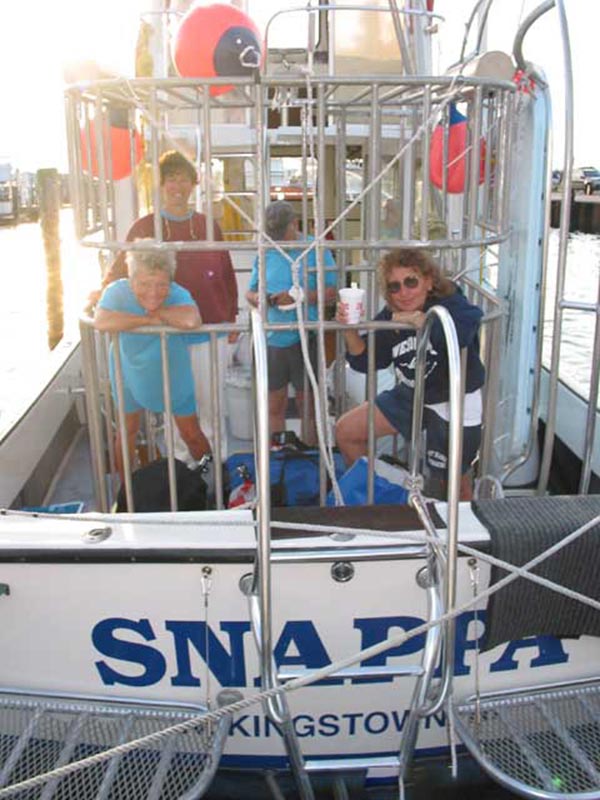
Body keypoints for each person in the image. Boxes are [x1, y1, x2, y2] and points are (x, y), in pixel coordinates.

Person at [97, 149, 238, 464]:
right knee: (179, 413)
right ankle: (183, 474)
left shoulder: (208, 226)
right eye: (170, 179)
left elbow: (227, 275)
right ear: (159, 186)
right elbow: (120, 272)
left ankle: (213, 477)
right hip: (163, 337)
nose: (178, 186)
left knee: (210, 406)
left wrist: (232, 318)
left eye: (184, 179)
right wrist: (99, 293)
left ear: (193, 184)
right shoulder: (143, 227)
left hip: (207, 331)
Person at [335, 248, 485, 500]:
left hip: (453, 400)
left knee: (454, 485)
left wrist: (425, 322)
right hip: (412, 394)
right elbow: (365, 361)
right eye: (394, 287)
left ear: (428, 281)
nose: (403, 292)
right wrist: (350, 329)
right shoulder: (391, 315)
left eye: (411, 282)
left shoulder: (452, 305)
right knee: (346, 431)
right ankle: (375, 501)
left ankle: (460, 535)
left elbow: (464, 330)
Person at [94, 246, 210, 480]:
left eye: (161, 285)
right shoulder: (116, 291)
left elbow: (191, 320)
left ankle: (213, 482)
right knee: (127, 432)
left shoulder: (178, 293)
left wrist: (158, 314)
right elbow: (102, 321)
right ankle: (126, 490)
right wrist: (148, 319)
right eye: (145, 284)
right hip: (127, 368)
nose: (153, 293)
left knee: (192, 434)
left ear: (170, 281)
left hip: (172, 370)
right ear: (131, 279)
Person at [246, 200, 337, 444]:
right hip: (273, 339)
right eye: (271, 233)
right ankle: (279, 456)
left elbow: (331, 293)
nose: (276, 239)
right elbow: (250, 292)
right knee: (274, 404)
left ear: (294, 224)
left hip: (306, 337)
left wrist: (299, 296)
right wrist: (260, 298)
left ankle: (310, 458)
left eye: (280, 233)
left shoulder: (316, 249)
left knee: (307, 405)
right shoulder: (266, 250)